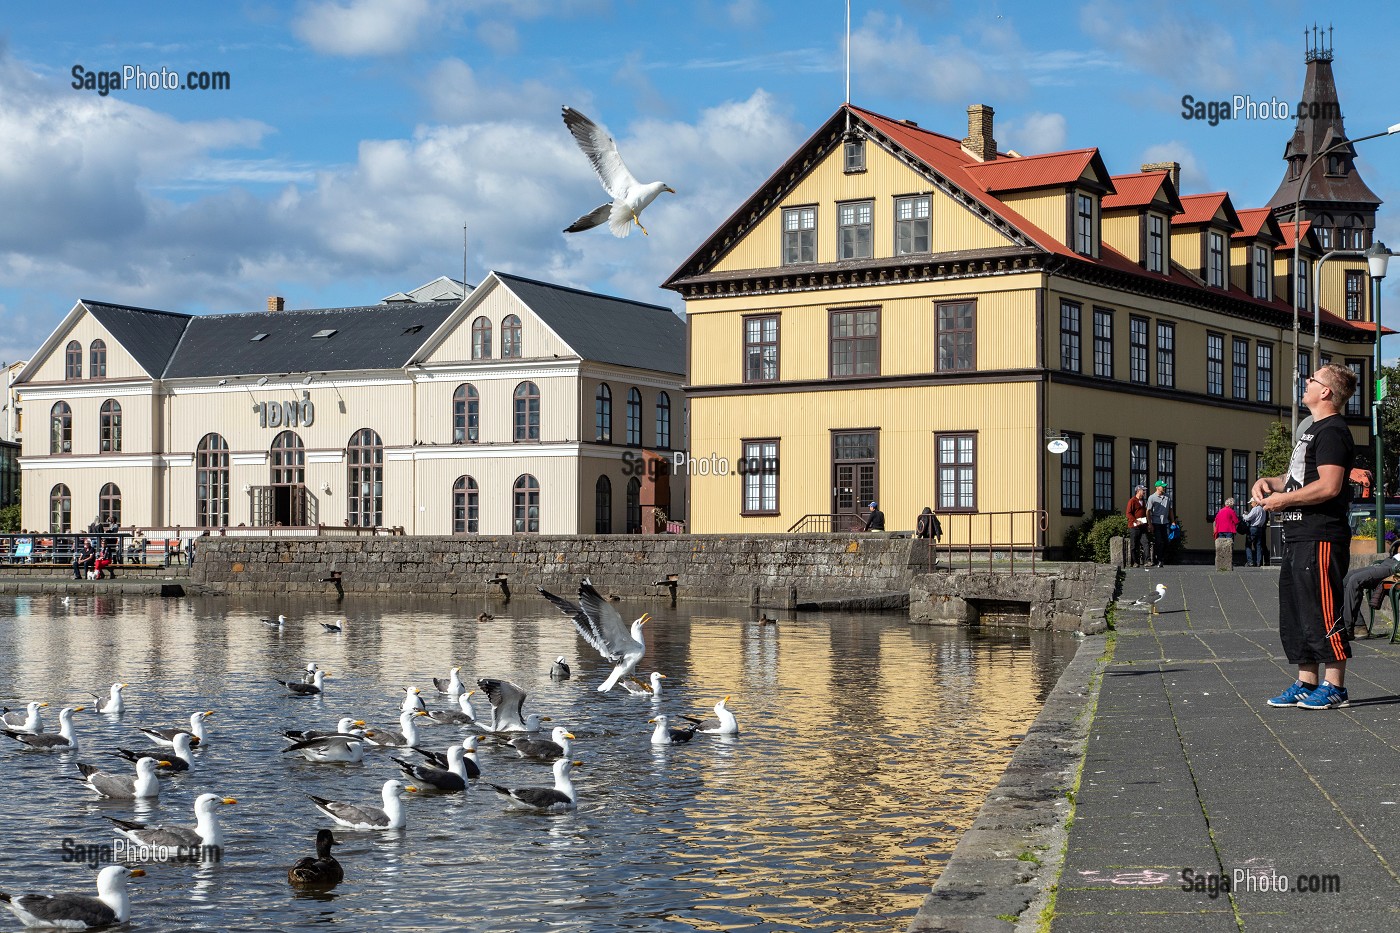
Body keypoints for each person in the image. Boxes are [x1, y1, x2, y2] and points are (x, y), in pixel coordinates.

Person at [1256, 363, 1358, 710]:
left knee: (1322, 611)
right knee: (1297, 612)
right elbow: (1298, 478)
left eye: (1312, 379)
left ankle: (1335, 686)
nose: (1305, 382)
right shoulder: (1312, 431)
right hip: (1299, 535)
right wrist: (1270, 483)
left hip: (1322, 536)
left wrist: (1282, 500)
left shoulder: (1333, 431)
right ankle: (1306, 681)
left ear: (1326, 391)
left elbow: (1329, 486)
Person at [1342, 539, 1400, 631]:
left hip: (1395, 567)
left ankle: (1347, 628)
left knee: (1355, 579)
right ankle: (1359, 625)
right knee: (1346, 578)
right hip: (1388, 562)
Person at [1146, 480, 1174, 568]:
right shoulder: (1152, 498)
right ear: (1157, 487)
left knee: (1166, 541)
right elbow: (1148, 511)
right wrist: (1150, 524)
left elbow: (1170, 510)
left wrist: (1173, 521)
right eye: (1162, 486)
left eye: (1164, 486)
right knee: (1158, 541)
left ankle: (1161, 557)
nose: (1164, 487)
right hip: (1156, 522)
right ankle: (1159, 560)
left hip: (1165, 522)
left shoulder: (1167, 497)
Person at [1124, 485, 1149, 568]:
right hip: (1134, 526)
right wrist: (1135, 520)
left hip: (1143, 525)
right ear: (1138, 491)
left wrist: (1147, 523)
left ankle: (1147, 561)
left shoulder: (1143, 501)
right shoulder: (1132, 501)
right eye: (1143, 491)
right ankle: (1135, 562)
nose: (1144, 492)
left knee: (1145, 542)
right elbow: (1128, 513)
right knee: (1134, 545)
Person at [1241, 497, 1268, 567]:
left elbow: (1248, 518)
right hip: (1260, 528)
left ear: (1255, 502)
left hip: (1253, 528)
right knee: (1258, 545)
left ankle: (1250, 562)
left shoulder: (1255, 509)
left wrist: (1244, 515)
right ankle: (1258, 562)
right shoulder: (1263, 509)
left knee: (1248, 545)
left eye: (1251, 503)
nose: (1251, 504)